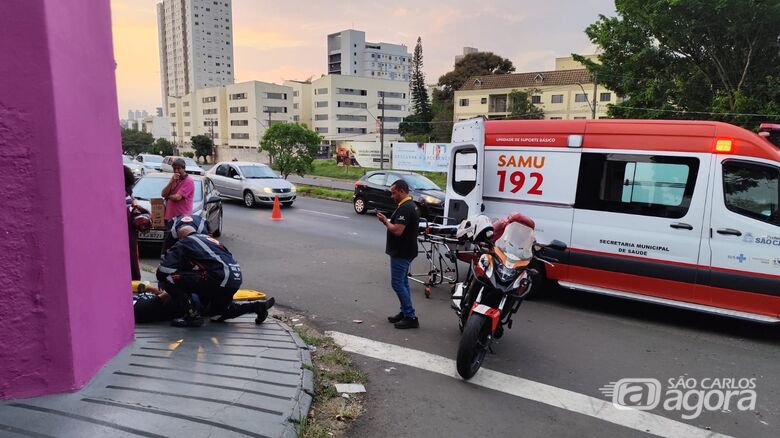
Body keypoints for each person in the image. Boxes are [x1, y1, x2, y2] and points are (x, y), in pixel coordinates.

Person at [156, 222, 265, 327]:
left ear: (181, 237)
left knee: (170, 279)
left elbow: (164, 270)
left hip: (219, 276)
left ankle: (192, 316)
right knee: (217, 315)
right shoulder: (212, 241)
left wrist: (162, 282)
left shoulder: (185, 242)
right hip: (234, 278)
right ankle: (257, 307)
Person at [376, 179, 421, 329]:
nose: (392, 196)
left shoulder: (406, 208)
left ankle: (410, 316)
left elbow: (397, 230)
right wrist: (388, 222)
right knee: (403, 283)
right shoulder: (409, 205)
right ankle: (405, 312)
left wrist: (385, 221)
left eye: (394, 193)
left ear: (402, 191)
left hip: (402, 252)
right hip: (406, 250)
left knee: (397, 284)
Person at [160, 158, 194, 253]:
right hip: (170, 217)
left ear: (184, 168)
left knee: (179, 243)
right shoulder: (174, 179)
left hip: (181, 217)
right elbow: (163, 193)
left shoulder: (188, 181)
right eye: (175, 169)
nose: (176, 171)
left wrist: (168, 196)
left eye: (179, 169)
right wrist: (171, 182)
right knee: (168, 243)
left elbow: (177, 197)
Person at [124, 165, 141, 281]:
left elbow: (132, 198)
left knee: (131, 254)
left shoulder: (127, 188)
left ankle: (134, 280)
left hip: (129, 227)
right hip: (124, 227)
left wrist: (135, 204)